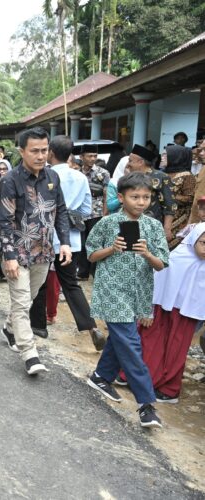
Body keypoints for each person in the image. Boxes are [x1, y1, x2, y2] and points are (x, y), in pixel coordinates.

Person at [85, 172, 169, 428]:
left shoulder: (154, 227)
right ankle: (146, 404)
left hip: (138, 294)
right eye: (135, 197)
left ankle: (100, 376)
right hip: (112, 292)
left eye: (146, 197)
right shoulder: (107, 223)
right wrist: (112, 248)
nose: (141, 202)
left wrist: (146, 253)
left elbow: (162, 263)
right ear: (121, 198)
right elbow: (90, 256)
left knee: (122, 339)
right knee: (131, 344)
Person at [0, 127, 72, 375]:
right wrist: (8, 256)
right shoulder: (10, 181)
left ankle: (9, 328)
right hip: (18, 253)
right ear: (22, 151)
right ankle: (30, 354)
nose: (40, 156)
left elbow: (60, 210)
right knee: (21, 302)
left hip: (44, 252)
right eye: (34, 151)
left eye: (44, 150)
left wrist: (65, 243)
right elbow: (5, 223)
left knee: (27, 298)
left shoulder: (53, 177)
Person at [27, 136, 106, 350]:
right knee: (71, 284)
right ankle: (91, 327)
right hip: (69, 240)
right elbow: (87, 210)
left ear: (50, 152)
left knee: (41, 282)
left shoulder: (44, 175)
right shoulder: (80, 177)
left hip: (44, 238)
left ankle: (39, 326)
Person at [137, 223, 205, 403]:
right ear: (193, 239)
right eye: (203, 243)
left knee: (177, 349)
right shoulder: (177, 257)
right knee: (151, 342)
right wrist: (148, 309)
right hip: (163, 307)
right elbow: (157, 280)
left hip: (189, 315)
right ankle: (142, 379)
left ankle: (169, 389)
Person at [127, 144, 176, 241]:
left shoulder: (161, 177)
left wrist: (167, 229)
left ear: (140, 162)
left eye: (130, 161)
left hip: (152, 226)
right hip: (130, 224)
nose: (128, 164)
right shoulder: (130, 177)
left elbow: (170, 205)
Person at [77, 144, 110, 280]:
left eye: (95, 156)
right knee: (81, 243)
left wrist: (104, 214)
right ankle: (83, 272)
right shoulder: (77, 173)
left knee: (95, 243)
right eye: (89, 156)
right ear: (81, 157)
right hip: (80, 213)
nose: (92, 158)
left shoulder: (103, 173)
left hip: (96, 213)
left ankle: (95, 272)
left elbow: (106, 194)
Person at [164, 144, 196, 248]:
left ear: (175, 157)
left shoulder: (187, 176)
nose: (162, 157)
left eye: (166, 155)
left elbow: (190, 198)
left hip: (178, 219)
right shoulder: (164, 174)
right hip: (163, 216)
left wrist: (168, 196)